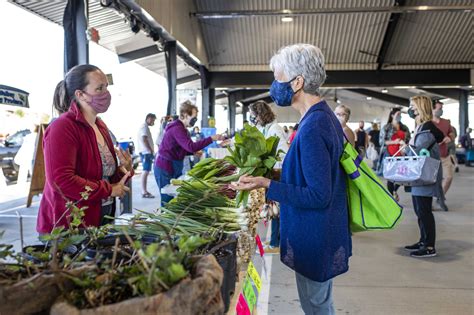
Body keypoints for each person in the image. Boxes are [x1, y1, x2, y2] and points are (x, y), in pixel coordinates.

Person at [232, 44, 351, 314]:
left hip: (315, 235)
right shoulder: (321, 117)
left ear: (297, 82)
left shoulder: (313, 126)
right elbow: (314, 174)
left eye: (278, 77)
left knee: (317, 306)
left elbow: (318, 194)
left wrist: (267, 184)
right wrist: (271, 174)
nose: (274, 85)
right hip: (321, 231)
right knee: (320, 303)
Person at [37, 65, 133, 234]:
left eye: (106, 87)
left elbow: (105, 176)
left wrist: (124, 169)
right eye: (99, 88)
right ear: (80, 94)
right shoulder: (62, 127)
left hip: (101, 217)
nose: (106, 94)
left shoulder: (100, 126)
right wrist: (109, 190)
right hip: (69, 225)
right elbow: (61, 180)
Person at [154, 101, 225, 205]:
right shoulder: (177, 128)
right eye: (194, 117)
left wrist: (192, 153)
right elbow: (190, 146)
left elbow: (180, 148)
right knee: (167, 200)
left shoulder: (182, 129)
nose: (195, 120)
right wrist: (211, 138)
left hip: (173, 166)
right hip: (165, 167)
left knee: (173, 200)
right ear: (185, 115)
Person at [404, 96, 444, 258]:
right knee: (419, 210)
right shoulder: (421, 126)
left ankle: (429, 246)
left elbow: (418, 148)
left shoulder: (427, 128)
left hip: (425, 175)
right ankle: (423, 240)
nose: (411, 109)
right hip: (419, 175)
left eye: (413, 106)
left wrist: (406, 147)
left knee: (424, 210)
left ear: (420, 108)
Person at [249, 100, 289, 254]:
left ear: (260, 114)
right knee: (272, 207)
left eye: (254, 115)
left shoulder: (275, 130)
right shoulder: (266, 128)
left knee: (276, 209)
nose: (253, 119)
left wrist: (273, 168)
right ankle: (274, 240)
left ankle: (275, 243)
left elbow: (283, 154)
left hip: (277, 174)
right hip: (272, 173)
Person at [379, 108, 411, 201]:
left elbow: (409, 140)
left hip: (402, 154)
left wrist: (404, 145)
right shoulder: (387, 127)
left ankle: (394, 191)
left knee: (401, 176)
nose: (399, 116)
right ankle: (391, 196)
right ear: (392, 115)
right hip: (390, 154)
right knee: (391, 176)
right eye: (398, 114)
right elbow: (381, 141)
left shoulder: (404, 128)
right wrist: (394, 141)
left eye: (400, 115)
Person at [432, 100, 455, 208]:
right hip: (432, 156)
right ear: (432, 109)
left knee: (449, 177)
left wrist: (449, 137)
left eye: (442, 108)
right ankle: (435, 199)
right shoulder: (428, 123)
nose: (441, 111)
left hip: (445, 156)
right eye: (439, 109)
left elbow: (452, 133)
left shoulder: (446, 122)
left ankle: (439, 197)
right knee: (432, 181)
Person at [137, 113, 156, 198]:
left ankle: (144, 190)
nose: (153, 122)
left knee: (146, 171)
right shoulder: (144, 127)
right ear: (148, 118)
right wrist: (150, 150)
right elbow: (144, 139)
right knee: (145, 171)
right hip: (146, 152)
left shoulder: (145, 127)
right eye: (153, 120)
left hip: (146, 152)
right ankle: (144, 191)